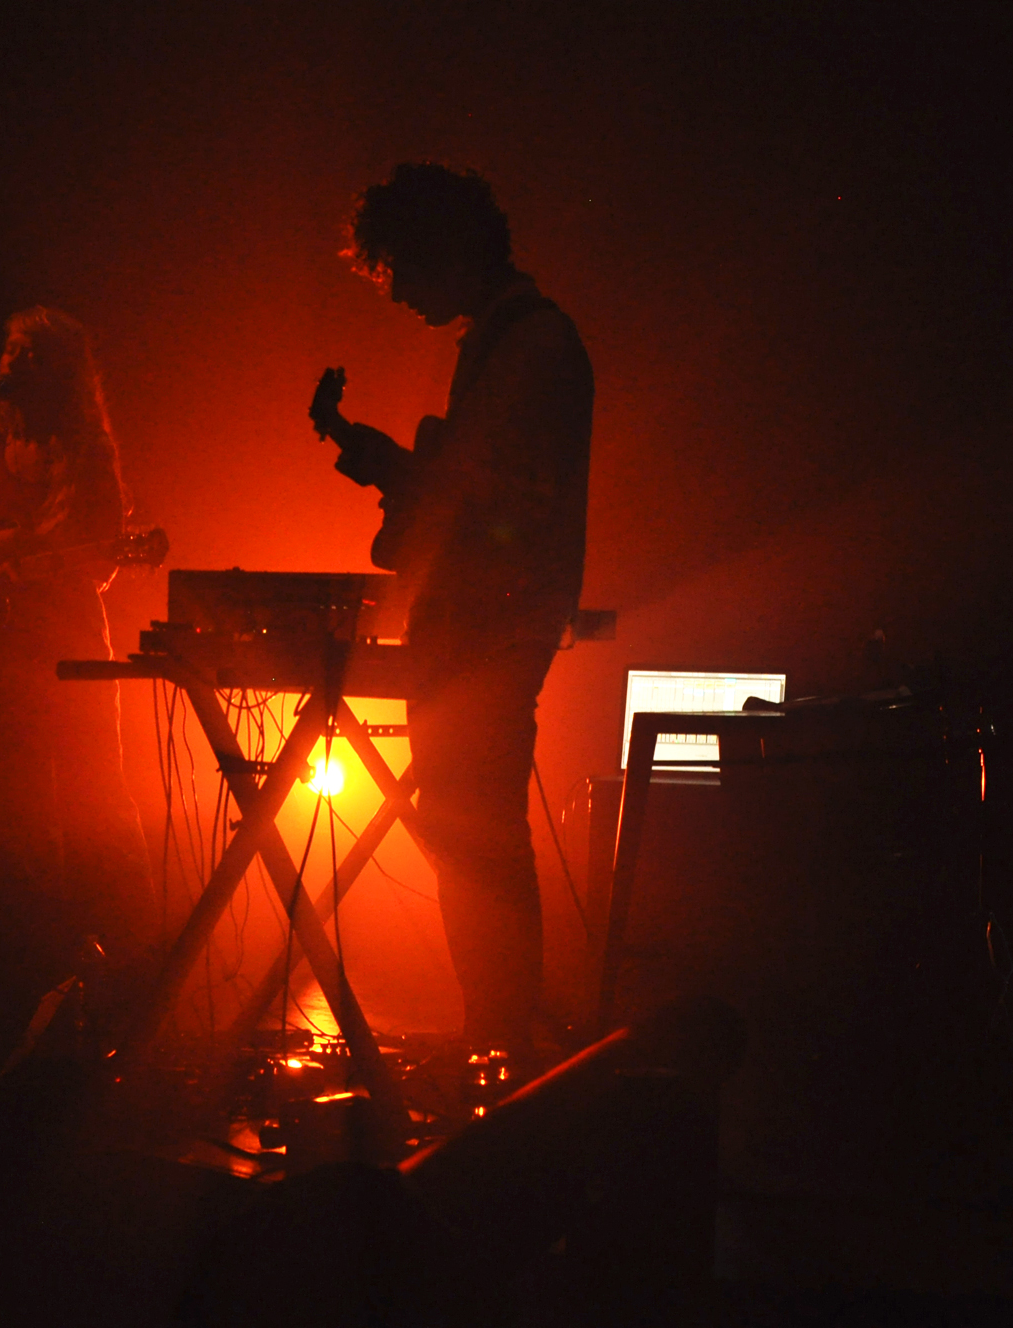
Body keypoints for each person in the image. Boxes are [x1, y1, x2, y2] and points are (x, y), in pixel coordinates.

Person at [310, 164, 594, 1066]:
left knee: (477, 831)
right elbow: (476, 490)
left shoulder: (533, 346)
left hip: (492, 623)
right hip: (482, 620)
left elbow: (497, 501)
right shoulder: (506, 342)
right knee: (467, 826)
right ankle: (496, 1036)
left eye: (401, 269)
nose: (397, 293)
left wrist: (391, 466)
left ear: (445, 248)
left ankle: (503, 1040)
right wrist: (384, 460)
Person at [0, 305, 153, 966]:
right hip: (0, 632)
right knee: (12, 785)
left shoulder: (86, 447)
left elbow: (87, 549)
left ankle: (129, 939)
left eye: (32, 354)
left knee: (90, 783)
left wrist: (9, 545)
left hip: (64, 630)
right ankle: (26, 936)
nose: (15, 363)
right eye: (11, 349)